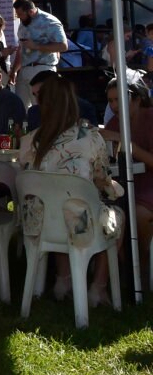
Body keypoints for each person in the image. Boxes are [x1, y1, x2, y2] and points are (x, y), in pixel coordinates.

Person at [19, 75, 123, 307]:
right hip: (78, 225)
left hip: (37, 224)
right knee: (114, 215)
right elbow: (101, 179)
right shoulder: (91, 138)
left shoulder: (30, 140)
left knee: (59, 204)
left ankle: (62, 280)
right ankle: (98, 287)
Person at [100, 77, 153, 292]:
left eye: (118, 100)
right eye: (110, 101)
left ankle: (142, 269)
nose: (114, 106)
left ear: (137, 99)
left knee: (138, 214)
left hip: (148, 183)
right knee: (109, 212)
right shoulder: (114, 122)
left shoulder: (150, 118)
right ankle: (124, 271)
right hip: (124, 184)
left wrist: (124, 141)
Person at [10, 0, 68, 108]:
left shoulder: (49, 21)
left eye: (21, 14)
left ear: (30, 12)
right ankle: (25, 125)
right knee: (20, 107)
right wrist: (14, 70)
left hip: (42, 68)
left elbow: (63, 46)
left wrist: (36, 46)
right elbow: (21, 48)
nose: (19, 17)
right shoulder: (24, 22)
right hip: (24, 69)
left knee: (43, 106)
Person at [25, 68, 97, 131]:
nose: (37, 99)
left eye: (41, 93)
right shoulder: (34, 112)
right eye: (34, 95)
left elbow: (91, 136)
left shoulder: (82, 107)